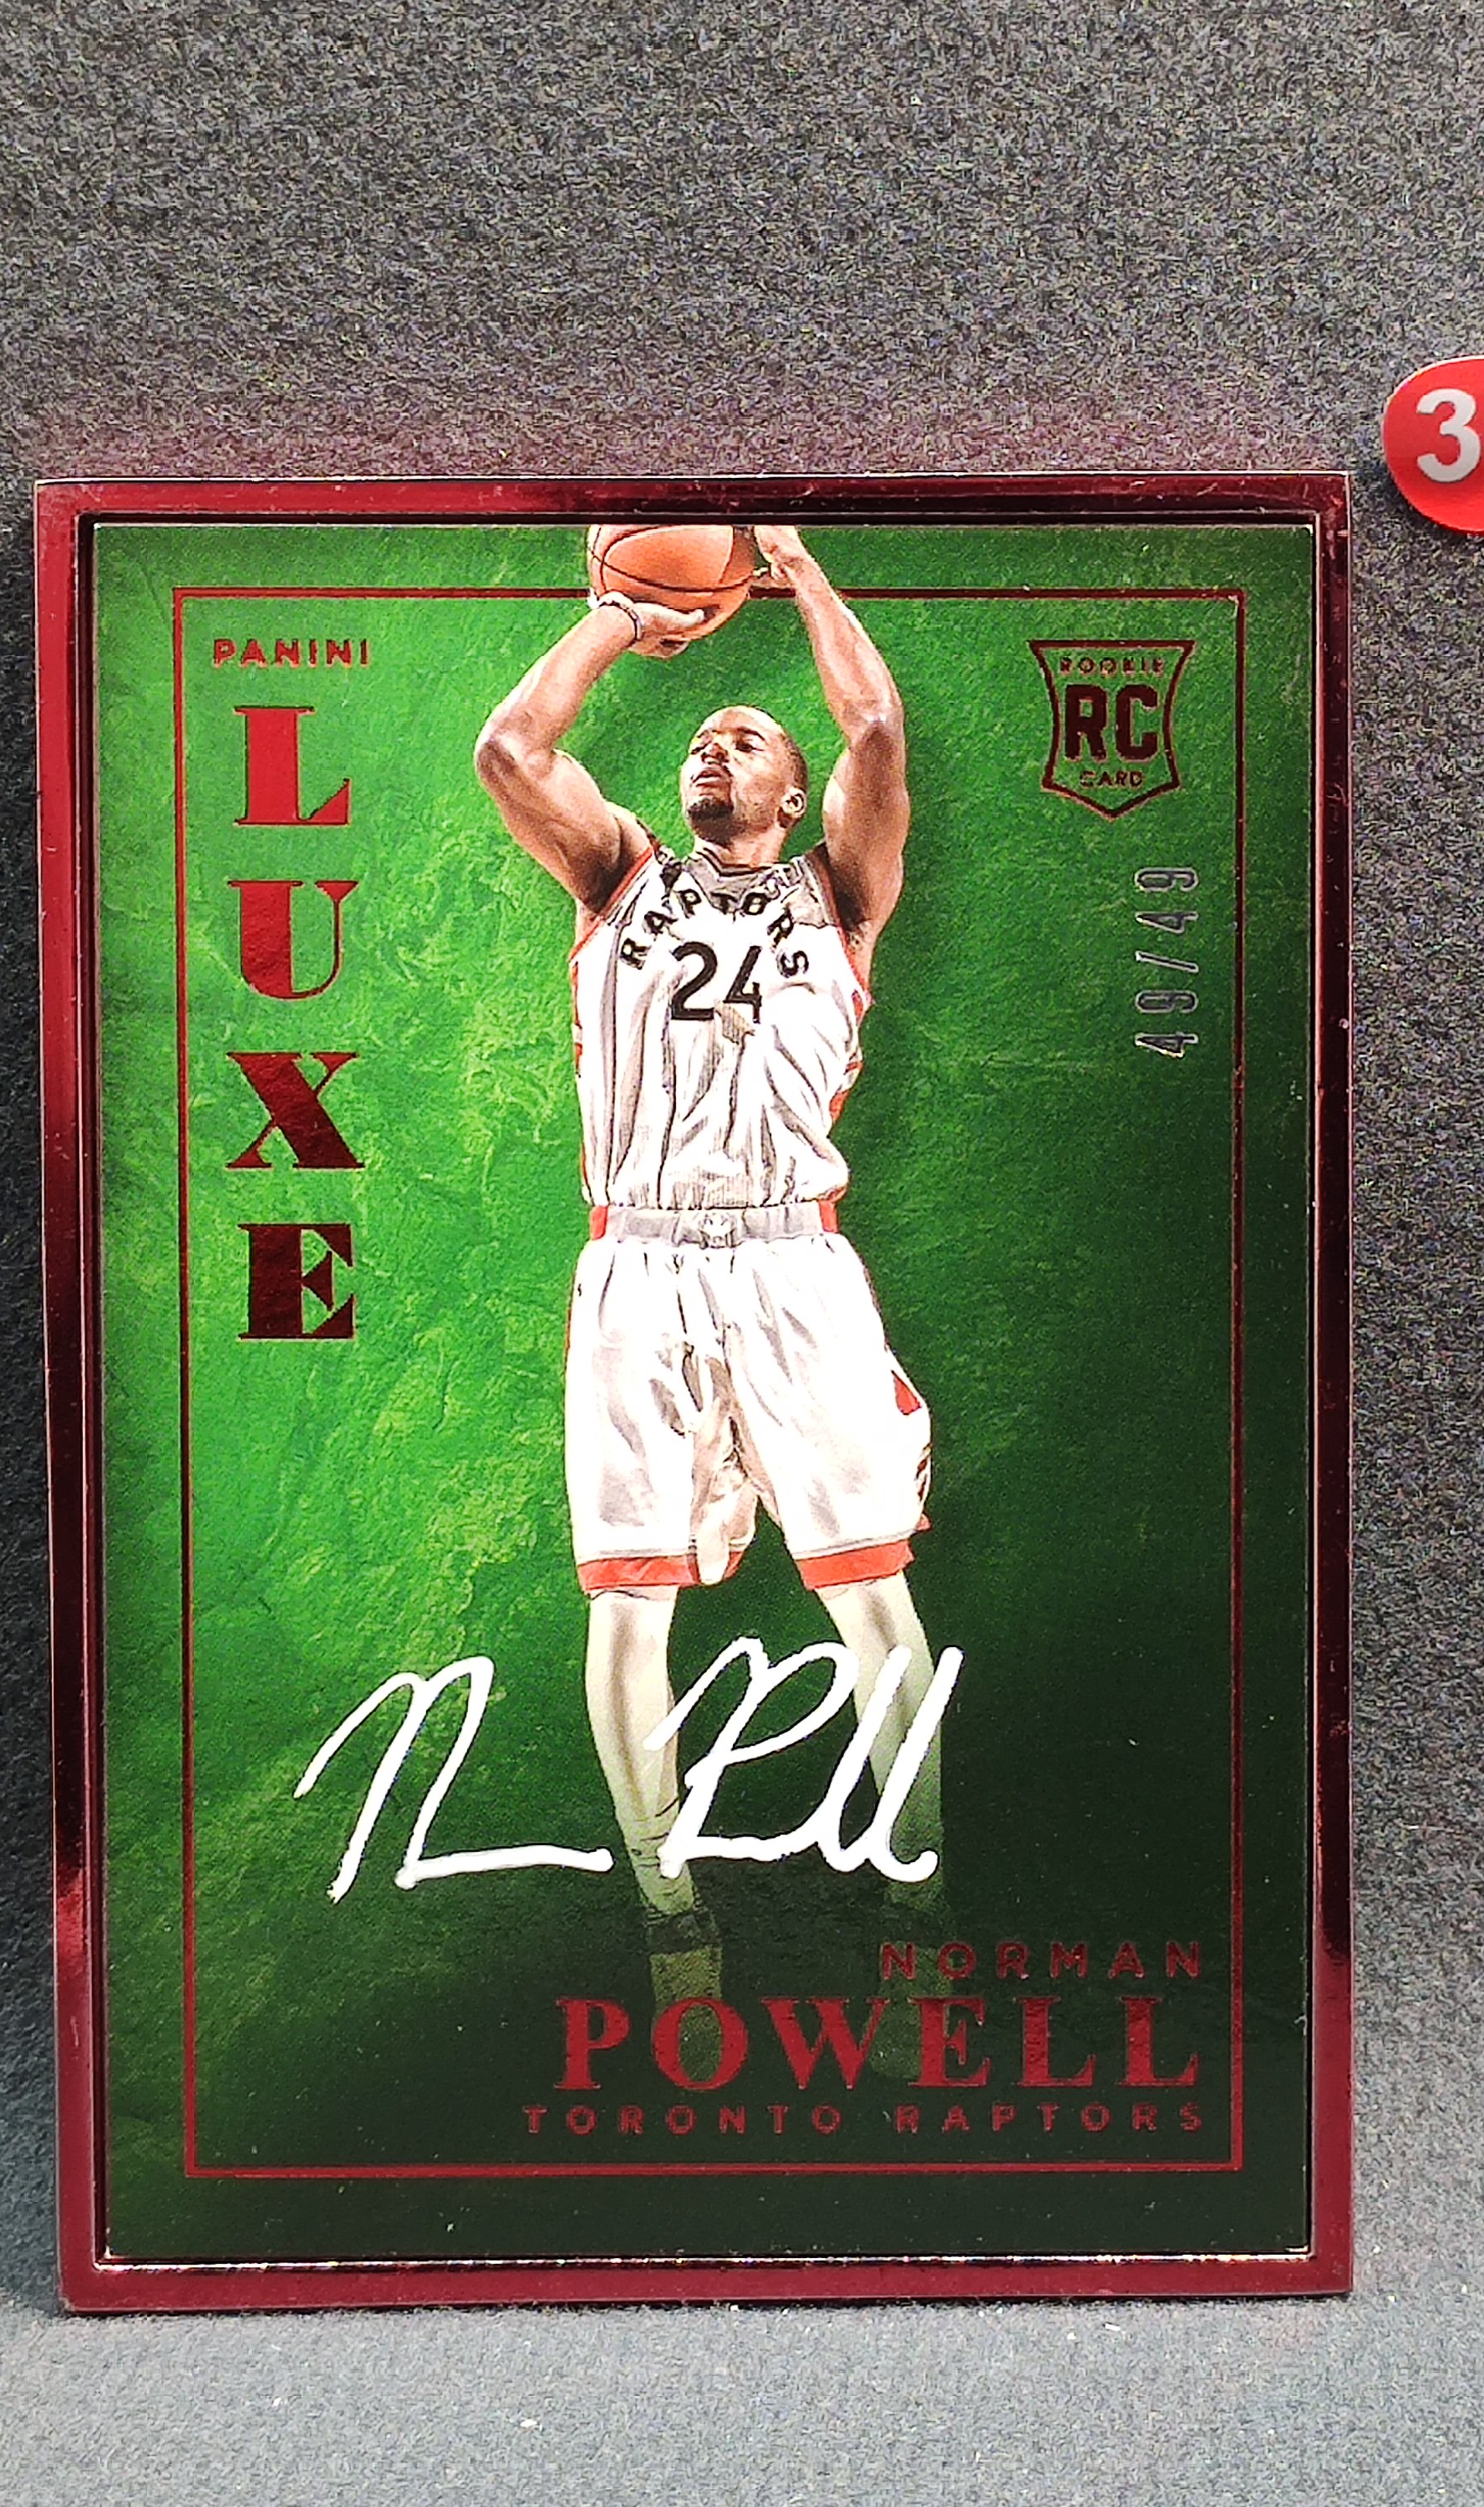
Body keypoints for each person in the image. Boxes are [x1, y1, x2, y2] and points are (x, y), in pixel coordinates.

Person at [475, 525, 947, 2032]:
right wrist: (624, 617)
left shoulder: (840, 896)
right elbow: (510, 751)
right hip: (639, 1261)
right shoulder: (618, 876)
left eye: (744, 738)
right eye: (699, 740)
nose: (710, 747)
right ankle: (668, 1910)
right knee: (629, 1609)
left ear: (795, 795)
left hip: (795, 1261)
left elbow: (877, 728)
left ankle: (918, 1903)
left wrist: (796, 574)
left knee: (871, 1596)